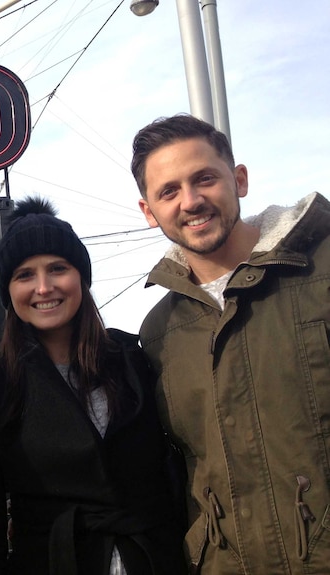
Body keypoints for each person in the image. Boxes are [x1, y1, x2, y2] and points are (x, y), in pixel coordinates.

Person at [131, 114, 330, 574]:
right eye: (170, 191)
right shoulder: (159, 333)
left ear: (238, 179)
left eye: (204, 178)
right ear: (148, 211)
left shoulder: (320, 270)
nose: (191, 201)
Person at [0, 197, 186, 574]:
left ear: (81, 277)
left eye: (57, 268)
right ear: (8, 292)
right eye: (25, 275)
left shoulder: (134, 359)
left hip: (156, 558)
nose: (44, 288)